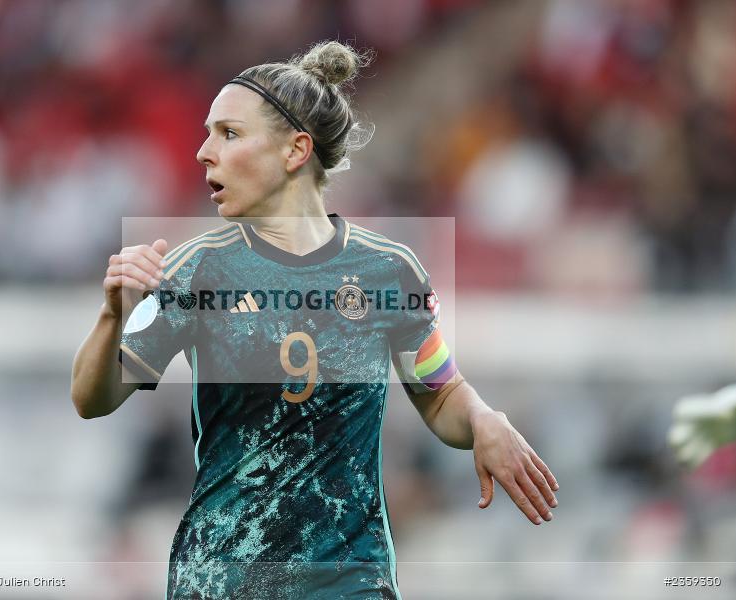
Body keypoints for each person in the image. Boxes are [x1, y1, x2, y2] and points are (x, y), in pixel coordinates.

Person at [71, 41, 559, 600]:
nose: (205, 152)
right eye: (207, 133)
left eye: (229, 134)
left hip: (349, 581)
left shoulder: (387, 273)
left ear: (295, 150)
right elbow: (92, 398)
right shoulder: (196, 270)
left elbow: (440, 393)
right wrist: (113, 316)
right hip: (222, 577)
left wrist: (483, 419)